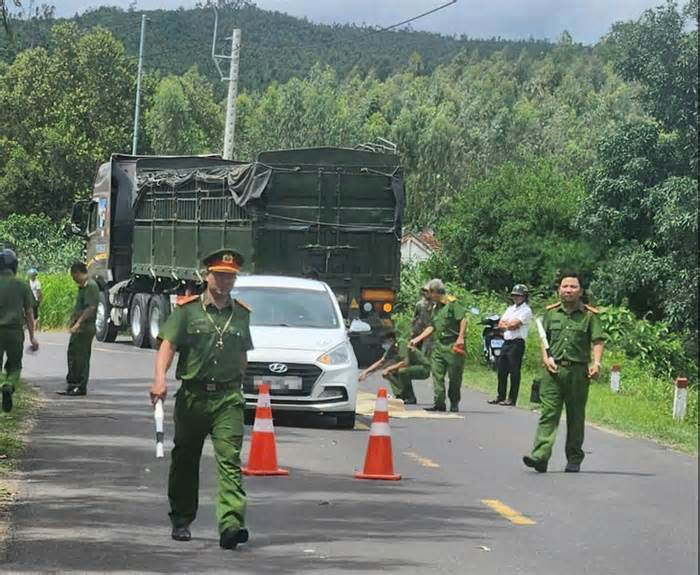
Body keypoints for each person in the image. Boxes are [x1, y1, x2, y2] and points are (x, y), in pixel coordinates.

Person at [150, 248, 253, 550]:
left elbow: (243, 355)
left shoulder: (242, 314)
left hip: (228, 399)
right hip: (193, 397)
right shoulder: (187, 310)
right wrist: (160, 380)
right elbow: (167, 345)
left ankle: (231, 524)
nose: (224, 281)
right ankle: (181, 520)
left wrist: (238, 382)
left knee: (230, 461)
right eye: (219, 275)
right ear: (206, 276)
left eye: (230, 277)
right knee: (185, 458)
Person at [523, 272, 605, 474]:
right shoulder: (551, 314)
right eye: (565, 286)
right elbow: (545, 339)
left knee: (576, 417)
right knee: (548, 414)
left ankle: (574, 458)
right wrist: (545, 357)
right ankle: (540, 456)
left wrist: (596, 363)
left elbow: (597, 341)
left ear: (581, 291)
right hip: (553, 371)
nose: (568, 290)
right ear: (559, 289)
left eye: (573, 287)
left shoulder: (589, 316)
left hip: (578, 372)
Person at [411, 279, 467, 413]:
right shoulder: (435, 307)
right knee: (437, 375)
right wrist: (417, 339)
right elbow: (432, 326)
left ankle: (454, 402)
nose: (427, 295)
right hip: (439, 345)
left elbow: (463, 319)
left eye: (429, 292)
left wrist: (461, 337)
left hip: (453, 345)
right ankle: (439, 403)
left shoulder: (452, 303)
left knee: (454, 376)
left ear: (435, 292)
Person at [0, 249, 39, 413]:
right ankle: (9, 385)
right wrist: (32, 337)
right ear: (14, 265)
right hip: (15, 333)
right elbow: (29, 313)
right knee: (15, 366)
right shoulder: (22, 285)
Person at [488, 284, 532, 406]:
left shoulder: (526, 310)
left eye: (519, 295)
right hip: (506, 341)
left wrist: (508, 325)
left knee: (514, 371)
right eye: (514, 295)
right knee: (501, 369)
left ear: (524, 296)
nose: (516, 298)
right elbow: (501, 324)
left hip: (517, 342)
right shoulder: (510, 309)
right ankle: (500, 396)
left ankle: (512, 399)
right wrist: (508, 325)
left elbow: (514, 325)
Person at [359, 328, 430, 404]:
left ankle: (410, 397)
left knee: (402, 371)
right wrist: (366, 372)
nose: (384, 344)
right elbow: (381, 362)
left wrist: (389, 368)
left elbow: (405, 362)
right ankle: (400, 395)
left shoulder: (402, 344)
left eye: (385, 341)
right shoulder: (392, 348)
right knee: (388, 373)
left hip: (423, 368)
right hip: (411, 367)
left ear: (391, 339)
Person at [60, 262, 99, 397]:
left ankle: (80, 386)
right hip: (78, 328)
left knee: (81, 357)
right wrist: (72, 321)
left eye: (73, 275)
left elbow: (91, 308)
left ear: (77, 272)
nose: (73, 278)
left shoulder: (91, 286)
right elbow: (79, 308)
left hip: (85, 328)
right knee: (72, 354)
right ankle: (72, 384)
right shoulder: (82, 287)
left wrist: (79, 323)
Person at [411, 282, 434, 357]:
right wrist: (412, 332)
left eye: (427, 291)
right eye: (425, 291)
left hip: (429, 333)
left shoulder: (435, 305)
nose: (426, 293)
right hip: (418, 331)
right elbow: (414, 318)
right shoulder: (419, 304)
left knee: (425, 353)